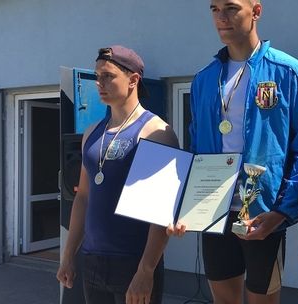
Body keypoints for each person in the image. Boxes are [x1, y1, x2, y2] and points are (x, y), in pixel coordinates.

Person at [169, 0, 298, 303]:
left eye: (231, 8)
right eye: (214, 9)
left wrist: (282, 212)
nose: (221, 18)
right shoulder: (204, 79)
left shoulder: (288, 72)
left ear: (256, 11)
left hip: (263, 214)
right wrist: (184, 204)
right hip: (214, 212)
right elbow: (196, 146)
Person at [56, 45, 179, 304]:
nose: (99, 83)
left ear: (133, 79)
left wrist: (146, 270)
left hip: (133, 261)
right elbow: (83, 198)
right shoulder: (91, 134)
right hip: (92, 260)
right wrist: (68, 256)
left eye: (108, 76)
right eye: (97, 76)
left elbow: (162, 210)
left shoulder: (156, 132)